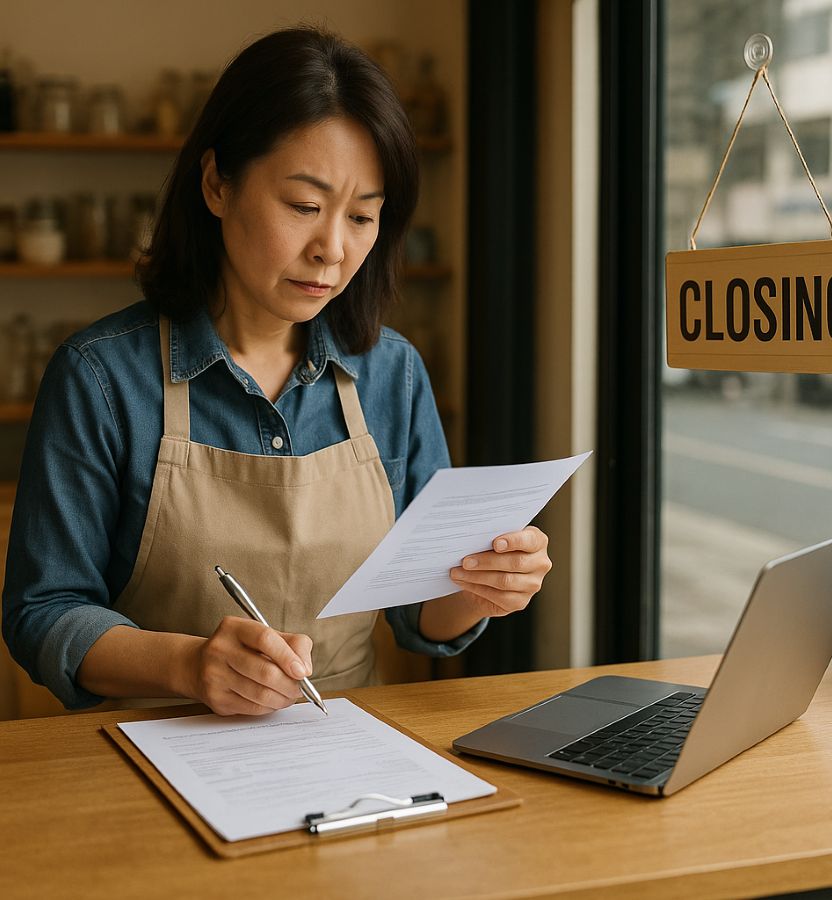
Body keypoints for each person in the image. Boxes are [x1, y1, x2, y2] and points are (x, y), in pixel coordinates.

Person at [1, 26, 552, 716]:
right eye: (304, 207)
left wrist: (477, 590)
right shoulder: (101, 377)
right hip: (145, 760)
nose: (332, 249)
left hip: (347, 753)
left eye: (362, 216)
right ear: (216, 185)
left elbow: (421, 617)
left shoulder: (393, 373)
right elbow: (43, 610)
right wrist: (189, 664)